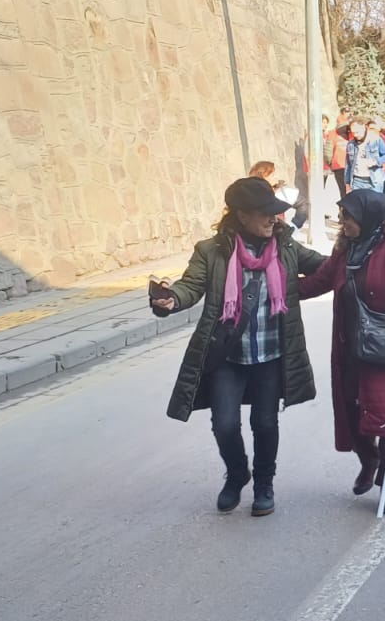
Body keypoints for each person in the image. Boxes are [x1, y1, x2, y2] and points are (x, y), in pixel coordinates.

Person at [150, 177, 327, 517]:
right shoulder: (212, 251)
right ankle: (236, 474)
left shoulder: (287, 248)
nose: (273, 220)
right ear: (242, 216)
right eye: (265, 214)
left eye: (275, 213)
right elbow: (190, 286)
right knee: (226, 423)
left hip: (271, 354)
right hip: (228, 355)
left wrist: (368, 254)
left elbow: (326, 267)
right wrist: (170, 299)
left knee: (265, 423)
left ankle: (264, 484)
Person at [299, 190, 385, 515]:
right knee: (353, 414)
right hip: (352, 346)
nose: (343, 223)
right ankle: (369, 460)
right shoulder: (346, 248)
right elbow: (319, 281)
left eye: (348, 217)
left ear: (369, 216)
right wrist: (276, 287)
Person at [346, 119, 385, 193]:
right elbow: (348, 165)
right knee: (358, 204)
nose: (355, 135)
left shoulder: (375, 139)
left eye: (357, 132)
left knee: (374, 204)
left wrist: (376, 162)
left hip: (374, 181)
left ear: (363, 128)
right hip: (357, 181)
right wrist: (347, 184)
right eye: (353, 133)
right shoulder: (351, 144)